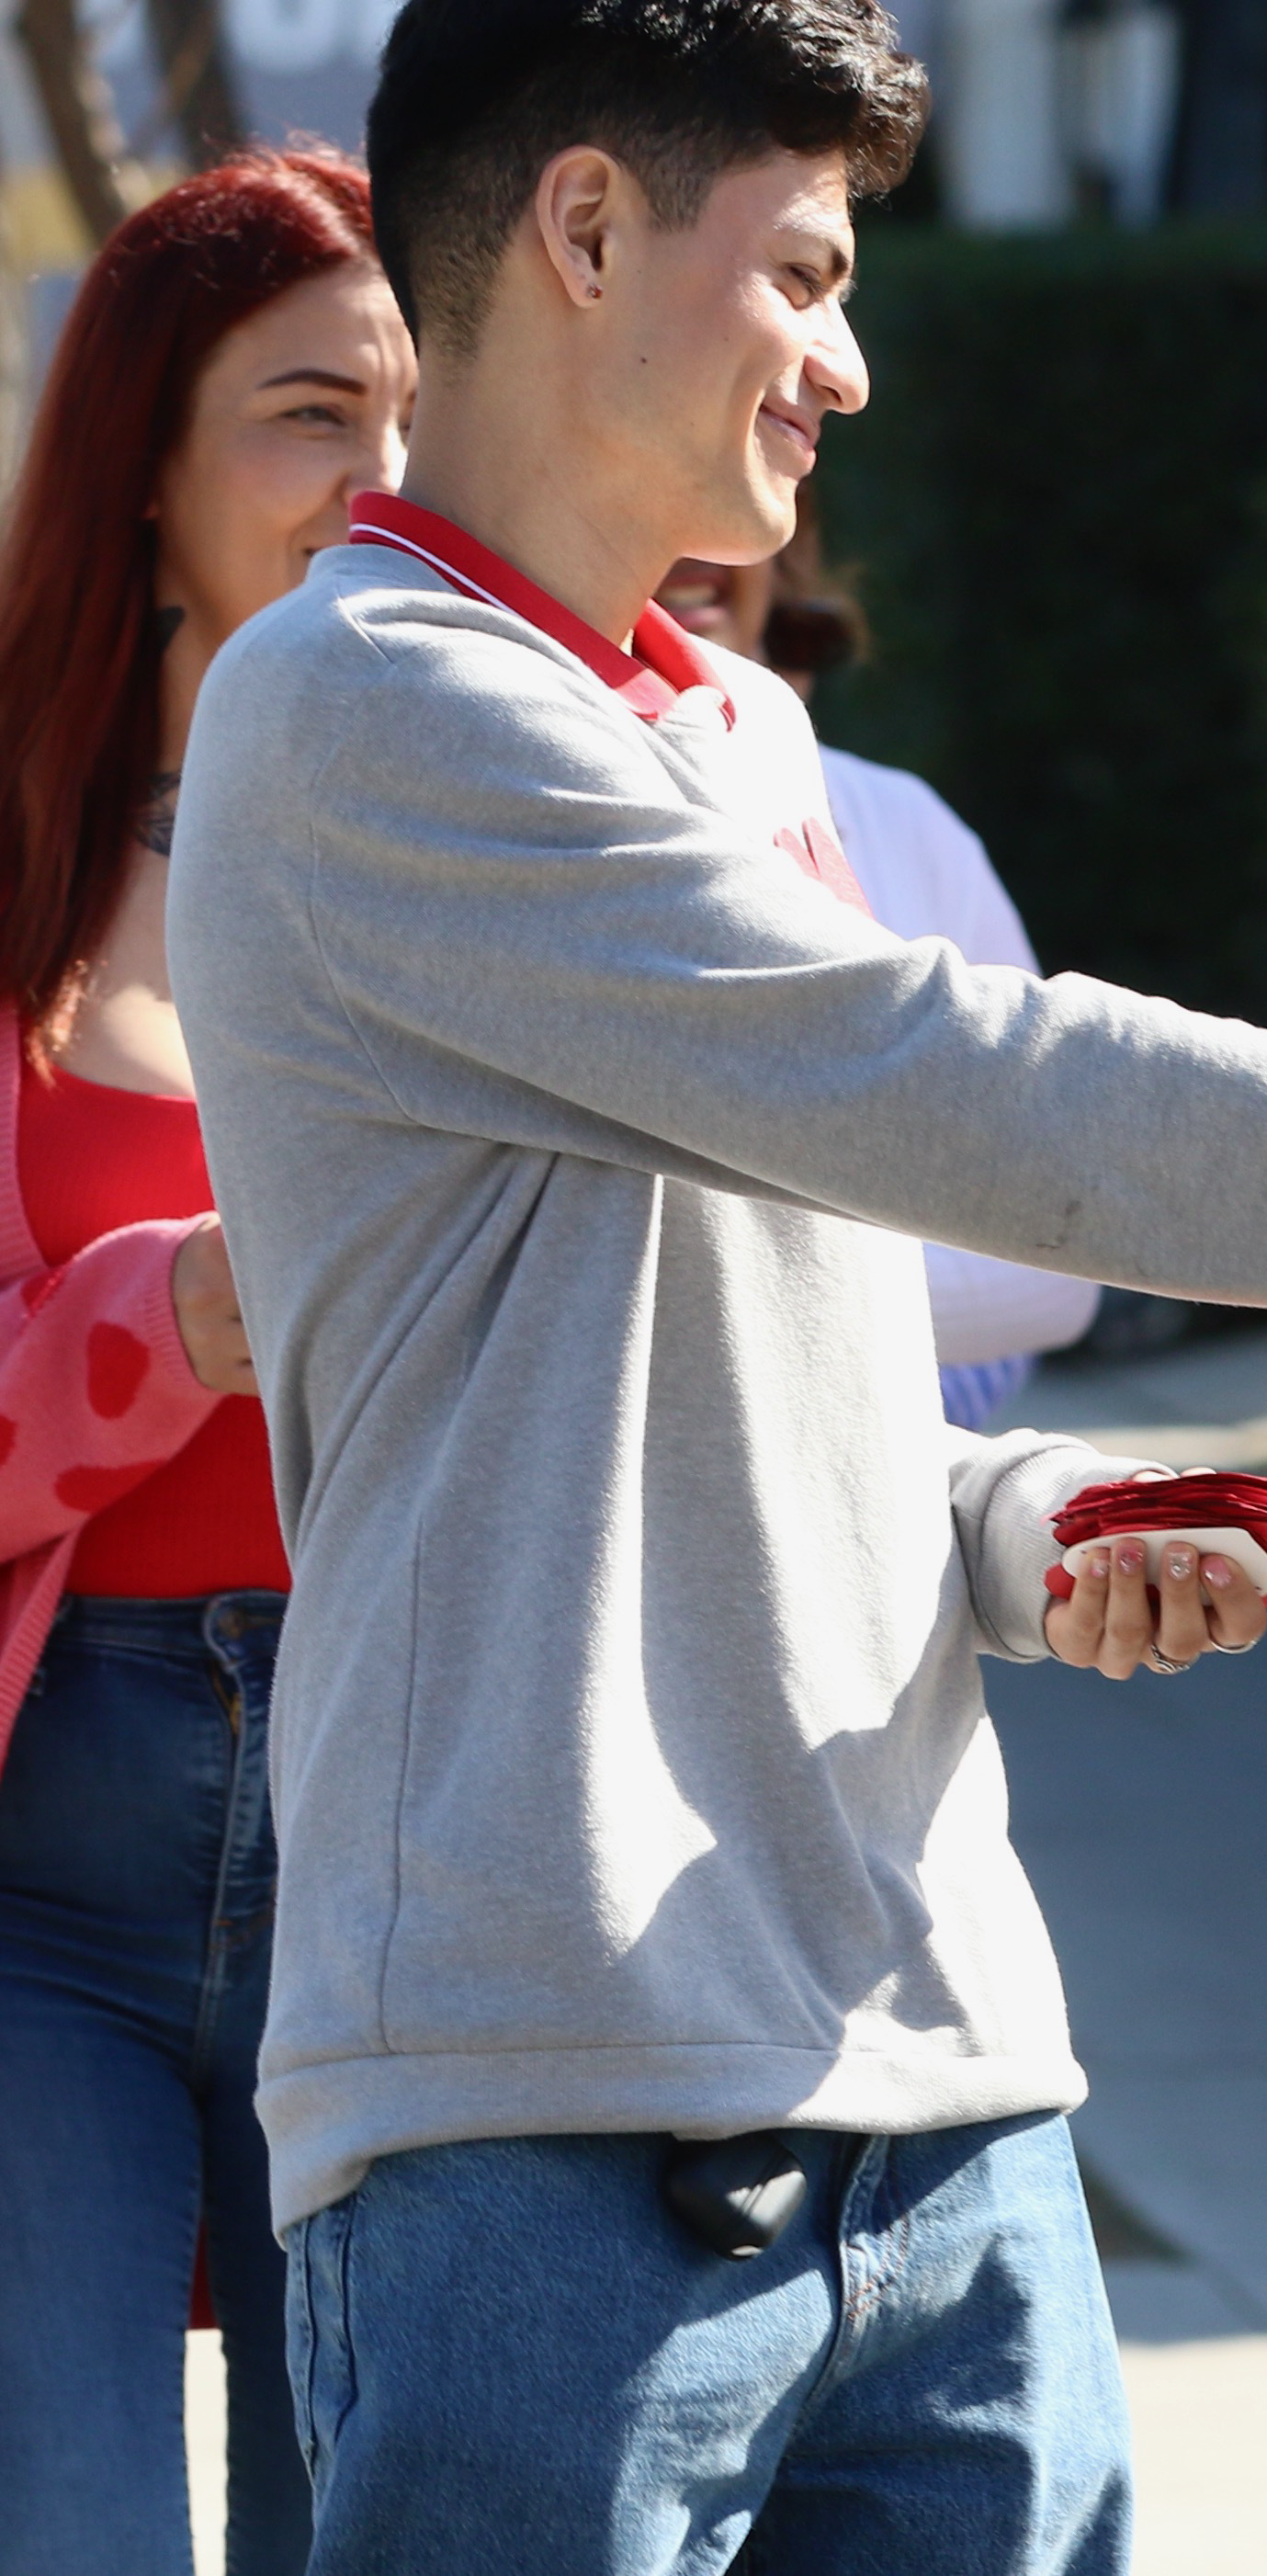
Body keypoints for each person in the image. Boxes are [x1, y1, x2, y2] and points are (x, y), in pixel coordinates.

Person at [164, 3, 1267, 2567]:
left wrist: (1020, 1526)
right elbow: (996, 1091)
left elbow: (756, 1375)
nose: (851, 356)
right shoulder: (359, 709)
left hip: (947, 2110)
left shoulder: (744, 749)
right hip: (535, 2133)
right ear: (579, 229)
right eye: (799, 267)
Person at [0, 151, 411, 2576]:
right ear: (145, 473)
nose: (381, 478)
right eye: (304, 412)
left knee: (352, 2532)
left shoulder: (511, 860)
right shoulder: (21, 887)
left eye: (417, 416)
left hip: (404, 1853)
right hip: (50, 1859)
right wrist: (177, 1311)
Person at [657, 500, 1100, 1425]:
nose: (687, 538)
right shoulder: (510, 829)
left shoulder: (909, 828)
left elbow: (1060, 1249)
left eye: (727, 494)